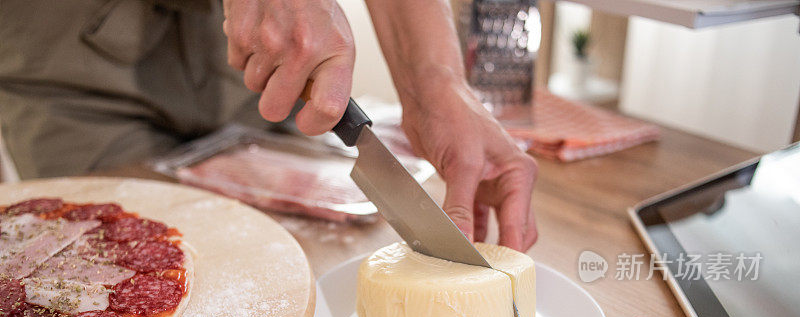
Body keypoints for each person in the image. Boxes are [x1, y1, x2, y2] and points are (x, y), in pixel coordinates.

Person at [0, 0, 538, 251]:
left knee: (269, 266)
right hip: (70, 65)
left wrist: (436, 81)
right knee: (106, 264)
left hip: (242, 57)